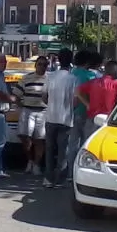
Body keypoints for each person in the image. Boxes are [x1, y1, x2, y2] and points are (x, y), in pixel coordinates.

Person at [42, 49, 78, 188]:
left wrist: (51, 105)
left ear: (58, 60)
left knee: (50, 150)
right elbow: (75, 101)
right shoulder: (74, 79)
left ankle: (48, 179)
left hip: (50, 117)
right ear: (71, 61)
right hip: (66, 119)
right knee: (63, 151)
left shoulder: (50, 76)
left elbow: (44, 97)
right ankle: (60, 179)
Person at [75, 60, 117, 138]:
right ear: (116, 72)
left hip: (91, 119)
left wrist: (87, 104)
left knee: (89, 144)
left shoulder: (93, 82)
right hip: (106, 121)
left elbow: (77, 91)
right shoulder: (116, 84)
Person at [14, 56, 49, 174]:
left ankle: (37, 164)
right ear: (35, 65)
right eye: (40, 64)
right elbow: (16, 95)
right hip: (27, 110)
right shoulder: (26, 78)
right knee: (25, 137)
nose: (42, 67)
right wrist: (21, 106)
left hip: (43, 112)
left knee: (40, 139)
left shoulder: (50, 79)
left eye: (45, 64)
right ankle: (30, 160)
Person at [67, 50, 97, 166]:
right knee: (85, 144)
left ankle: (70, 172)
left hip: (70, 112)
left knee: (72, 144)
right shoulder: (91, 76)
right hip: (85, 112)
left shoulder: (71, 73)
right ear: (88, 61)